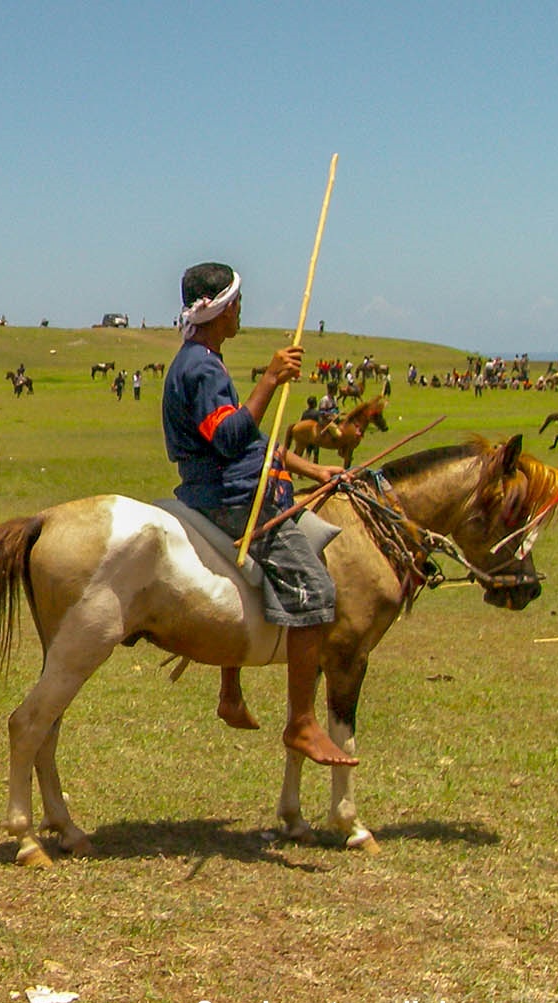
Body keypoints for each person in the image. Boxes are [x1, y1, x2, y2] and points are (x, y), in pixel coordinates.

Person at [161, 261, 355, 768]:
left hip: (239, 481)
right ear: (223, 309)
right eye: (237, 302)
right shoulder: (201, 367)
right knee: (317, 589)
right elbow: (228, 439)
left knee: (256, 577)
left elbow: (252, 443)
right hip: (231, 496)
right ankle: (303, 723)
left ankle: (231, 691)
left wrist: (312, 470)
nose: (242, 309)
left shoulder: (203, 358)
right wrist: (270, 379)